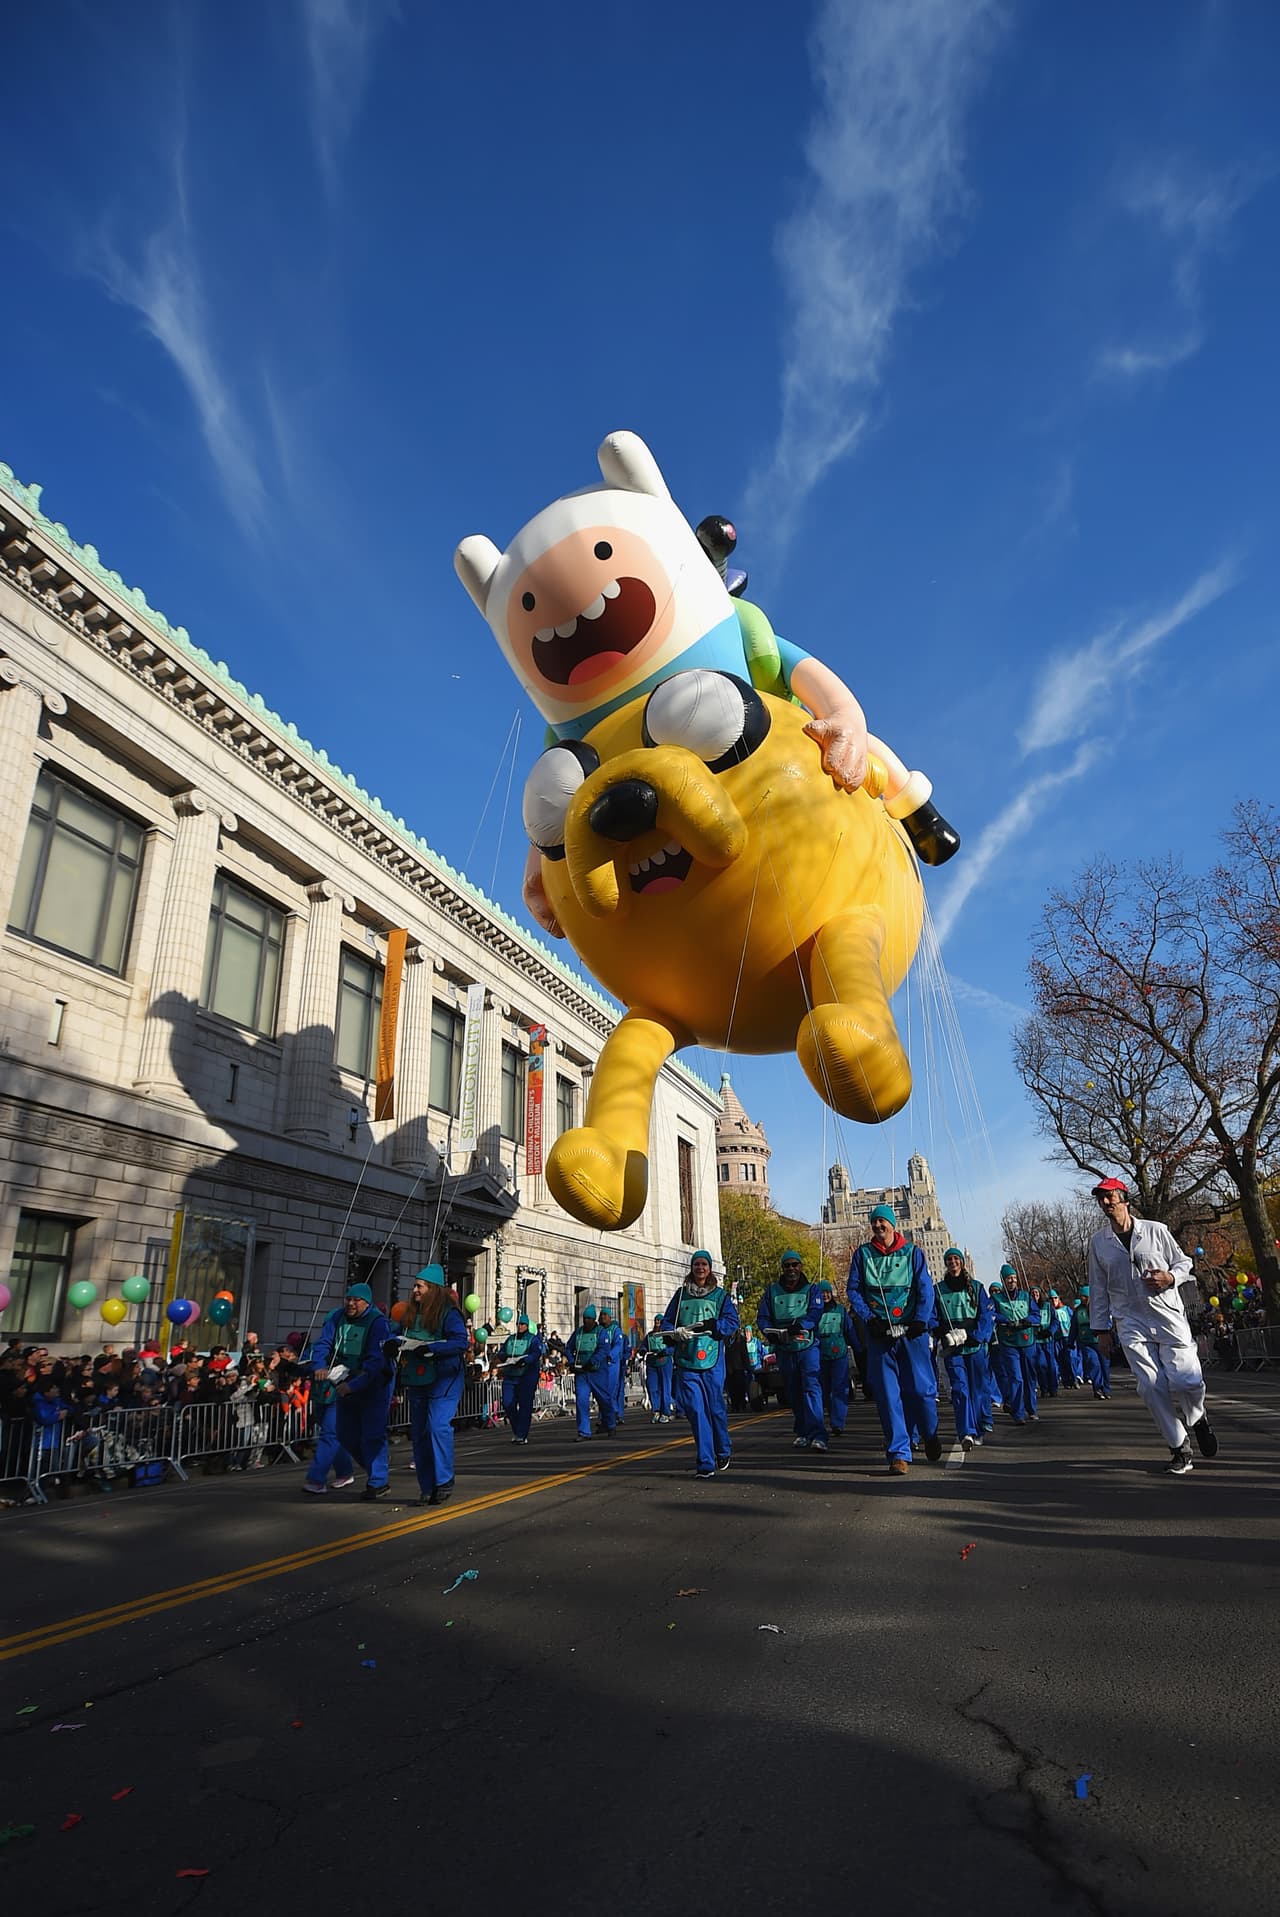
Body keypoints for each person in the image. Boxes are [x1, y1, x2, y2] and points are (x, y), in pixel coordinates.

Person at [1088, 1178, 1217, 1475]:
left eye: (1111, 1197)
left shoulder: (1155, 1231)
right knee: (1149, 1385)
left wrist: (1170, 1278)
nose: (1107, 1203)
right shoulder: (1099, 1242)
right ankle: (1179, 1447)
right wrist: (1101, 1330)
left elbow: (1184, 1264)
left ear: (1125, 1200)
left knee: (1187, 1381)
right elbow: (1097, 1288)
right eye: (1102, 1199)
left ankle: (1197, 1418)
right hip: (1130, 1320)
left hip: (1166, 1315)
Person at [846, 1205, 942, 1475]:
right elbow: (853, 1290)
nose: (878, 1226)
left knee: (921, 1390)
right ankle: (899, 1453)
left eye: (883, 1221)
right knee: (889, 1396)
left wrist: (921, 1320)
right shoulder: (862, 1255)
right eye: (874, 1222)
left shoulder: (913, 1253)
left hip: (912, 1334)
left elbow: (925, 1288)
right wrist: (869, 1319)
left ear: (892, 1224)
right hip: (881, 1337)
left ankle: (929, 1432)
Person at [304, 1281, 397, 1501]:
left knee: (372, 1433)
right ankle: (374, 1465)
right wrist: (319, 1365)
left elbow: (377, 1362)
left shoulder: (377, 1323)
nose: (351, 1304)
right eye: (349, 1299)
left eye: (356, 1300)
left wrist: (354, 1385)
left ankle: (378, 1482)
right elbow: (323, 1343)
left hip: (374, 1385)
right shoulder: (337, 1317)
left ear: (367, 1302)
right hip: (344, 1381)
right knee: (344, 1433)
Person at [660, 1250, 740, 1479]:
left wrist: (716, 1326)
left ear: (710, 1268)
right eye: (696, 1264)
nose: (700, 1268)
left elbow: (732, 1321)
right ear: (691, 1267)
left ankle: (723, 1449)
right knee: (696, 1411)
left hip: (712, 1360)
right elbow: (667, 1321)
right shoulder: (681, 1295)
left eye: (704, 1264)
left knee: (714, 1408)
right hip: (687, 1360)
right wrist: (674, 1332)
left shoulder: (720, 1296)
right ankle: (705, 1462)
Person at [398, 1266, 472, 1502]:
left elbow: (461, 1342)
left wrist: (431, 1348)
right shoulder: (411, 1313)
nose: (415, 1290)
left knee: (437, 1426)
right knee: (419, 1433)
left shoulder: (449, 1313)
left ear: (433, 1289)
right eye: (415, 1286)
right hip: (417, 1378)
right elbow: (397, 1333)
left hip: (444, 1378)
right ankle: (427, 1486)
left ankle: (444, 1480)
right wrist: (391, 1344)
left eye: (420, 1286)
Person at [757, 1250, 827, 1450]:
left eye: (794, 1265)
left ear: (801, 1266)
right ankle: (803, 1431)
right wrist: (768, 1331)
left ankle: (819, 1434)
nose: (791, 1269)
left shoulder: (812, 1289)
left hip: (807, 1347)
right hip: (784, 1348)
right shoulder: (772, 1291)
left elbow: (816, 1312)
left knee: (811, 1388)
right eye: (787, 1266)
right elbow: (763, 1317)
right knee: (793, 1391)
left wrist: (802, 1324)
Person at [933, 1249, 995, 1451]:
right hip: (953, 1347)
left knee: (978, 1388)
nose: (952, 1262)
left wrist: (975, 1336)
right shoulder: (939, 1290)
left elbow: (985, 1317)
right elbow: (932, 1316)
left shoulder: (977, 1288)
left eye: (955, 1259)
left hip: (974, 1345)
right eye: (949, 1260)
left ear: (961, 1262)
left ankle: (979, 1427)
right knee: (960, 1389)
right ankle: (965, 1431)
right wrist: (941, 1331)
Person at [989, 1265, 1039, 1427]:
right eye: (1008, 1278)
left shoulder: (1025, 1296)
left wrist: (1027, 1321)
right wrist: (1005, 1321)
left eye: (1014, 1278)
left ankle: (1031, 1409)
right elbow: (990, 1314)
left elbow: (1036, 1315)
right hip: (1008, 1342)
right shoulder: (997, 1299)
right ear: (1003, 1281)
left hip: (1027, 1341)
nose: (1012, 1281)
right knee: (1015, 1377)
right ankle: (1018, 1413)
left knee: (1029, 1376)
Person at [813, 1279, 857, 1437]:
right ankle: (832, 1416)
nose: (825, 1295)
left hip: (839, 1354)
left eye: (827, 1292)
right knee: (825, 1391)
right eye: (821, 1293)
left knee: (839, 1388)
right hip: (820, 1356)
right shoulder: (814, 1313)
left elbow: (849, 1330)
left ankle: (838, 1422)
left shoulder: (840, 1310)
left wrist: (858, 1348)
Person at [495, 1311, 546, 1445]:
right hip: (511, 1375)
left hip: (527, 1376)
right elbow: (502, 1351)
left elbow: (536, 1354)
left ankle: (522, 1434)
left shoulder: (533, 1339)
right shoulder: (511, 1339)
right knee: (507, 1403)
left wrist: (525, 1360)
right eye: (518, 1324)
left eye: (523, 1324)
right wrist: (503, 1356)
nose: (520, 1326)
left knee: (525, 1405)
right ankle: (517, 1429)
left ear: (527, 1325)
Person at [567, 1305, 615, 1440]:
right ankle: (584, 1431)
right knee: (581, 1401)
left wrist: (592, 1361)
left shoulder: (601, 1332)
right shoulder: (578, 1333)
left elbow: (603, 1349)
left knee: (603, 1400)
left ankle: (610, 1424)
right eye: (584, 1318)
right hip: (581, 1373)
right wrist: (571, 1362)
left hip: (597, 1372)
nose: (586, 1321)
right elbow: (569, 1348)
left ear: (594, 1319)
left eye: (589, 1318)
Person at [1070, 1283, 1110, 1398]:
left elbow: (1108, 1321)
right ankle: (1098, 1388)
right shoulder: (1078, 1311)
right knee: (1094, 1363)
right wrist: (1070, 1342)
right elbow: (1074, 1327)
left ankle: (1106, 1389)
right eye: (1081, 1296)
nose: (1081, 1298)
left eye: (1083, 1296)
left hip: (1099, 1342)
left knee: (1104, 1366)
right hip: (1085, 1342)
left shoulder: (1099, 1308)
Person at [597, 1305, 627, 1427]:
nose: (603, 1317)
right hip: (600, 1364)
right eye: (601, 1315)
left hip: (612, 1364)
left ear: (610, 1317)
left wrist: (610, 1355)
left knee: (611, 1390)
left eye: (605, 1315)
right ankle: (603, 1416)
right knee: (600, 1392)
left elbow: (618, 1345)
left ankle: (614, 1413)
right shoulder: (598, 1330)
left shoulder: (615, 1330)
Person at [643, 1316, 675, 1423]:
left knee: (665, 1387)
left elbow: (672, 1347)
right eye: (656, 1320)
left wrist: (665, 1352)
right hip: (652, 1363)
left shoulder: (667, 1335)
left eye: (659, 1320)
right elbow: (644, 1346)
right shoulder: (649, 1335)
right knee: (652, 1386)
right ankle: (656, 1410)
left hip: (664, 1362)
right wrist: (643, 1351)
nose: (657, 1322)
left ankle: (665, 1412)